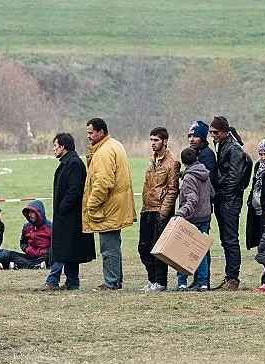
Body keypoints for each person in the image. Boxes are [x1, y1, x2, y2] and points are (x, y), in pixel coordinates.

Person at [82, 118, 135, 291]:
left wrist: (91, 205)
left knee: (108, 247)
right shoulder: (115, 145)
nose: (88, 136)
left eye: (91, 132)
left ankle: (111, 281)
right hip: (117, 205)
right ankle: (116, 280)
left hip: (109, 207)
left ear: (101, 132)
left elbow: (103, 183)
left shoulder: (104, 152)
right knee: (113, 244)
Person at [43, 133, 95, 291]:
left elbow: (74, 190)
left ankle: (53, 279)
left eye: (55, 145)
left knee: (62, 249)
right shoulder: (69, 162)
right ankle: (72, 282)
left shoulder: (73, 163)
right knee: (71, 250)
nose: (54, 149)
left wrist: (62, 208)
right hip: (68, 216)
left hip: (70, 216)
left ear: (63, 146)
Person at [209, 116, 253, 291]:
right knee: (226, 240)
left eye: (216, 132)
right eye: (211, 133)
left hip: (230, 200)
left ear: (225, 132)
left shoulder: (234, 149)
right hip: (225, 199)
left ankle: (233, 279)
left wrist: (225, 197)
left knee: (230, 240)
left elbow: (234, 178)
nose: (213, 135)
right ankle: (229, 276)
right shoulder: (224, 145)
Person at [138, 127, 180, 292]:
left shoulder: (172, 162)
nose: (153, 144)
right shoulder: (151, 159)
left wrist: (164, 212)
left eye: (156, 140)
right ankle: (152, 280)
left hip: (161, 210)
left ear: (165, 141)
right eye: (151, 140)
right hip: (147, 208)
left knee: (158, 248)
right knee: (143, 247)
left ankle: (161, 282)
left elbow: (172, 189)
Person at [175, 147, 214, 292]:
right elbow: (211, 193)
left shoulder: (189, 177)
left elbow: (192, 199)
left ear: (183, 161)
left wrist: (181, 213)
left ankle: (182, 282)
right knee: (201, 250)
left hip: (192, 218)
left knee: (184, 250)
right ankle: (203, 282)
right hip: (205, 216)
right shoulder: (204, 173)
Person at [0, 200, 51, 270]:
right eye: (28, 212)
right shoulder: (27, 227)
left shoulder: (50, 227)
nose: (30, 214)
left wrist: (43, 252)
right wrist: (28, 250)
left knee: (48, 257)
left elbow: (55, 246)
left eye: (32, 212)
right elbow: (23, 243)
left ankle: (26, 265)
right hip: (29, 257)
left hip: (44, 257)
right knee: (5, 253)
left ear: (39, 213)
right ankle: (33, 266)